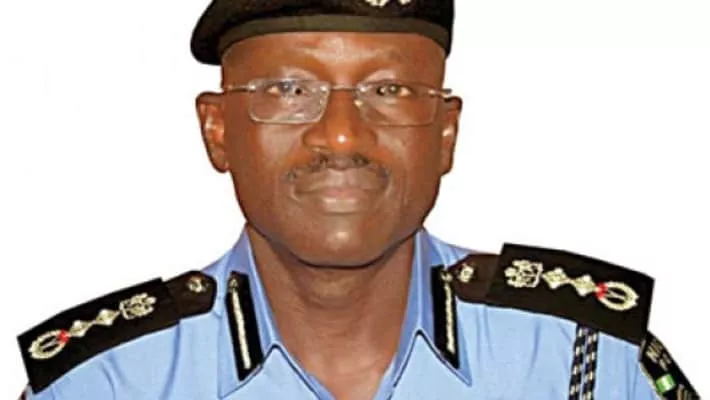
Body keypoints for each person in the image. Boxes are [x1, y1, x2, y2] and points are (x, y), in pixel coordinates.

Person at [17, 0, 699, 399]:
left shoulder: (588, 364)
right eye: (288, 90)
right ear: (216, 131)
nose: (341, 135)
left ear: (446, 134)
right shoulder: (105, 384)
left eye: (389, 91)